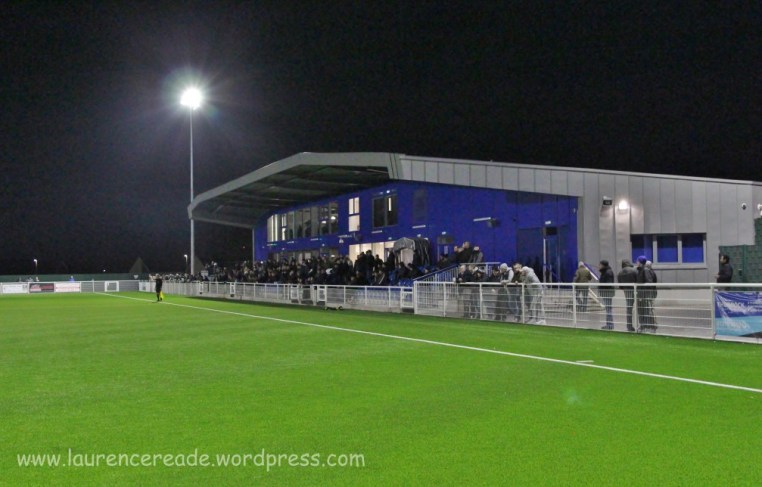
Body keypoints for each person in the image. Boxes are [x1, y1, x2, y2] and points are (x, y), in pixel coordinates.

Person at [635, 256, 657, 333]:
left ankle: (648, 327)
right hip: (641, 294)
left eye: (637, 261)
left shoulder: (645, 270)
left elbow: (649, 282)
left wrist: (643, 293)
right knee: (642, 311)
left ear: (640, 262)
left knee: (646, 311)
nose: (636, 262)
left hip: (644, 295)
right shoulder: (640, 270)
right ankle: (643, 326)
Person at [617, 259, 638, 331]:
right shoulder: (634, 270)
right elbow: (638, 280)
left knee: (629, 308)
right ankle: (641, 325)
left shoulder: (620, 272)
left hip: (627, 291)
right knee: (640, 307)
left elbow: (620, 286)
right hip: (636, 290)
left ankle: (629, 326)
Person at [598, 260, 615, 330]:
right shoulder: (605, 272)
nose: (599, 266)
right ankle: (609, 324)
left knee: (608, 309)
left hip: (607, 292)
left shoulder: (607, 272)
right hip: (606, 292)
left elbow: (608, 283)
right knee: (608, 309)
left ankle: (610, 325)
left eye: (600, 265)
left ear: (603, 265)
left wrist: (602, 286)